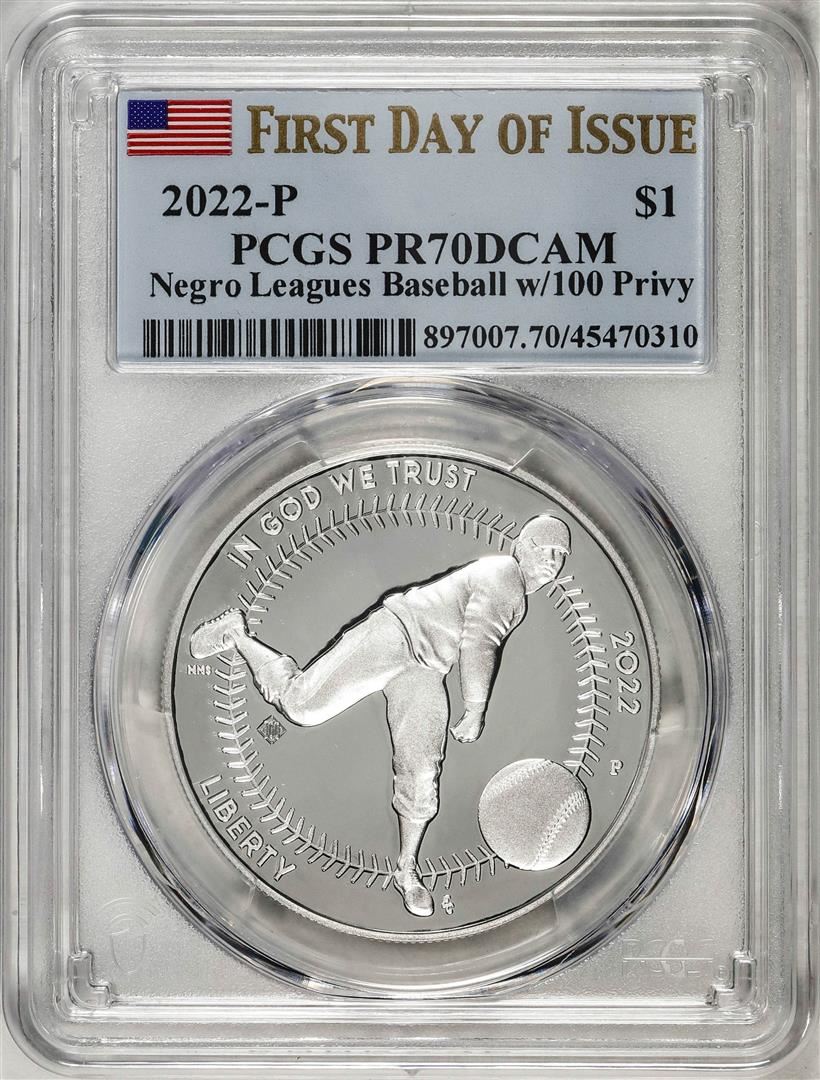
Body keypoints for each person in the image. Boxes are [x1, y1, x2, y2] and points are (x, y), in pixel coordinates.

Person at [190, 514, 571, 917]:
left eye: (559, 554)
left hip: (425, 669)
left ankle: (406, 871)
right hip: (395, 635)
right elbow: (480, 643)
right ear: (519, 546)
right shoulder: (504, 574)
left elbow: (476, 641)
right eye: (542, 547)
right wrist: (475, 709)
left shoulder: (516, 596)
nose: (551, 559)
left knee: (421, 771)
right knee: (301, 705)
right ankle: (237, 635)